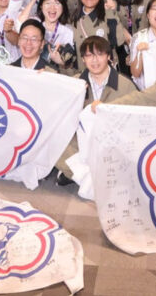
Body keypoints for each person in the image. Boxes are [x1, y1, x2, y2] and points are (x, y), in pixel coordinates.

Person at [55, 35, 137, 185]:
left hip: (113, 144)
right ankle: (89, 176)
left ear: (109, 57)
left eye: (100, 54)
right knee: (56, 143)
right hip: (82, 143)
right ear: (83, 59)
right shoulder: (76, 82)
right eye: (89, 55)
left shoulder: (125, 85)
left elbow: (136, 120)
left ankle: (79, 175)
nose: (95, 60)